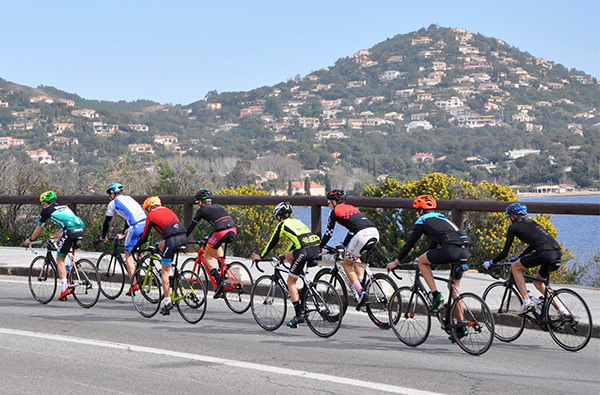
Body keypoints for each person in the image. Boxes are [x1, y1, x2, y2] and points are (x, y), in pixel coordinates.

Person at [387, 195, 470, 321]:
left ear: (420, 211)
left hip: (450, 250)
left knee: (421, 262)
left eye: (417, 211)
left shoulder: (422, 221)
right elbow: (435, 241)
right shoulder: (442, 219)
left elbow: (410, 243)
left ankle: (435, 295)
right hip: (465, 251)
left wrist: (397, 261)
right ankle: (461, 325)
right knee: (453, 288)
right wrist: (427, 254)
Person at [483, 203, 564, 316]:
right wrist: (521, 258)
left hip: (544, 253)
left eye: (508, 217)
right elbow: (533, 245)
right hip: (556, 253)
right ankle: (562, 311)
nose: (507, 220)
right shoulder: (532, 223)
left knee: (515, 267)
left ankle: (526, 302)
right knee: (539, 283)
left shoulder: (513, 227)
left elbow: (505, 252)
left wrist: (491, 262)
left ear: (513, 216)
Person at [251, 202, 320, 328]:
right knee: (289, 257)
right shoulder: (297, 221)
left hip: (303, 251)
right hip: (314, 248)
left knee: (291, 282)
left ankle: (298, 315)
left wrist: (261, 255)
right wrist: (286, 254)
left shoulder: (282, 225)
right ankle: (301, 284)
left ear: (278, 217)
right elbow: (297, 240)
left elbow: (273, 241)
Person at [319, 189, 379, 309]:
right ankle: (363, 284)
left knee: (347, 265)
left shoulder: (334, 211)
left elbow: (328, 233)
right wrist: (344, 245)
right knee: (355, 258)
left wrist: (320, 247)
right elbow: (352, 230)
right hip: (374, 232)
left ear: (334, 202)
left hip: (362, 235)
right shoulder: (351, 207)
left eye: (329, 202)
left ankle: (361, 293)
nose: (328, 204)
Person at [24, 191, 85, 301]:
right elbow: (67, 223)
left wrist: (30, 239)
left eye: (43, 203)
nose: (43, 205)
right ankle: (71, 267)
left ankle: (64, 288)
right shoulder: (64, 207)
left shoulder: (46, 210)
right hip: (81, 229)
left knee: (59, 259)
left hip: (70, 231)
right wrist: (56, 235)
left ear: (45, 203)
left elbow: (38, 228)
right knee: (64, 240)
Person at [134, 196, 187, 316]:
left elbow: (144, 237)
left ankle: (167, 302)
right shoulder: (168, 209)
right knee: (161, 245)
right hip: (183, 237)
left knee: (164, 272)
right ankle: (173, 270)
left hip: (171, 240)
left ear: (149, 208)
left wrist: (136, 247)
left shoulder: (151, 215)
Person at [186, 188, 237, 299]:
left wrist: (184, 238)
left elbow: (192, 226)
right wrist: (209, 236)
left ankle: (220, 282)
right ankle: (222, 270)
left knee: (207, 256)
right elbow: (222, 222)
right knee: (217, 244)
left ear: (200, 201)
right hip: (233, 230)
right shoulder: (218, 206)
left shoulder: (202, 210)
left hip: (220, 232)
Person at [100, 183, 147, 296]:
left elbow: (107, 222)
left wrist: (103, 236)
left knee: (128, 255)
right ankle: (139, 262)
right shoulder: (129, 198)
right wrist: (123, 233)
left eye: (109, 194)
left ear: (112, 194)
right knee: (135, 249)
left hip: (135, 226)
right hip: (145, 223)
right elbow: (128, 216)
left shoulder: (113, 203)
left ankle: (134, 284)